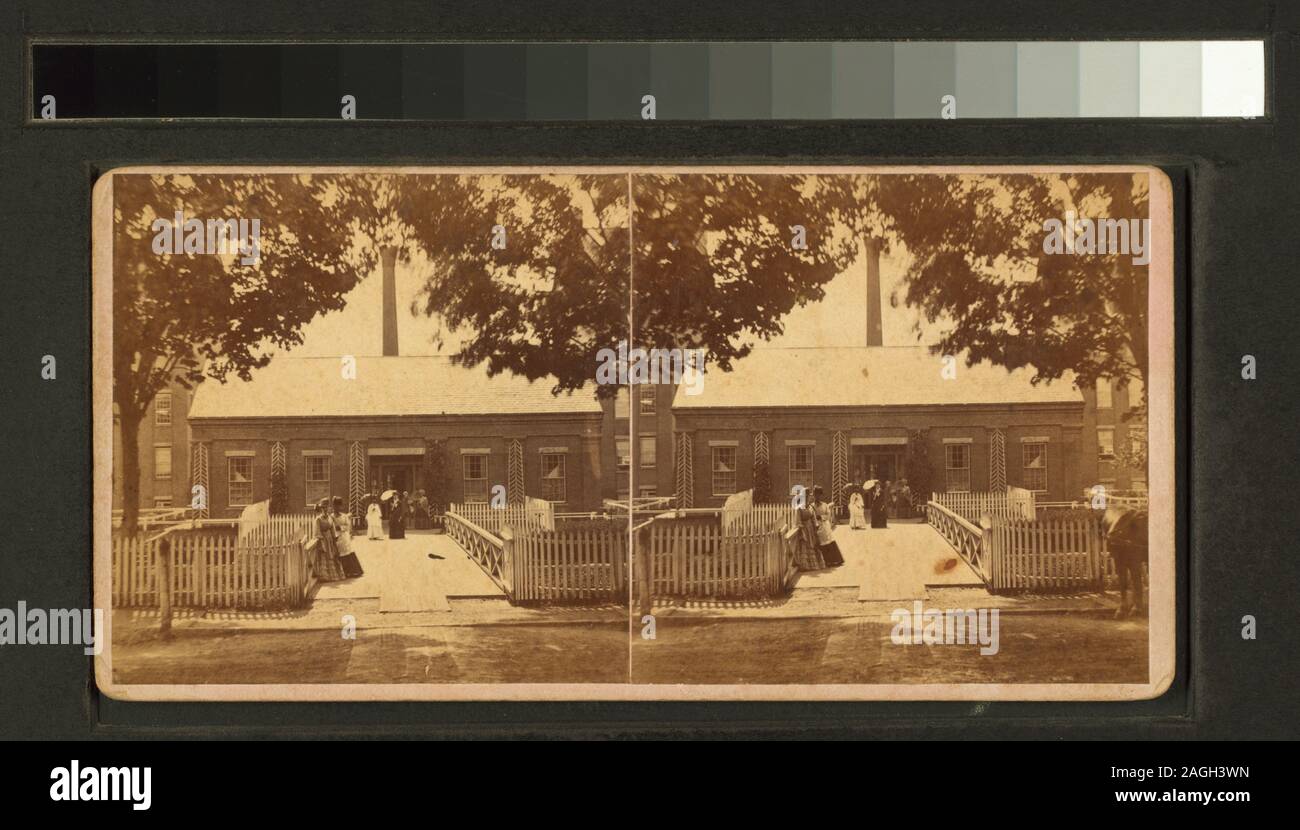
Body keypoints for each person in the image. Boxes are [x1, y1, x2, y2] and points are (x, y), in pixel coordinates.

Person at [313, 498, 347, 581]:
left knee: (333, 555)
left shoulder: (330, 518)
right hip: (323, 539)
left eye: (326, 507)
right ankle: (325, 576)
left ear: (328, 508)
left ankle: (334, 575)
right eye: (323, 508)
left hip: (330, 539)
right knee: (325, 556)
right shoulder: (318, 519)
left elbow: (332, 529)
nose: (325, 509)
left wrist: (334, 538)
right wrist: (322, 542)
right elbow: (317, 532)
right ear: (321, 509)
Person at [812, 486, 845, 567]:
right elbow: (811, 516)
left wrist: (822, 517)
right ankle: (827, 561)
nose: (817, 497)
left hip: (825, 526)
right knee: (822, 544)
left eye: (819, 495)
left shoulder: (825, 505)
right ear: (814, 496)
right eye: (816, 495)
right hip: (818, 526)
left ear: (821, 495)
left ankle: (836, 560)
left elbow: (828, 515)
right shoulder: (812, 506)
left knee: (830, 542)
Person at [332, 496, 364, 578]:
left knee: (348, 552)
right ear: (333, 506)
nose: (337, 508)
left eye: (339, 506)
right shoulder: (331, 517)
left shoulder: (344, 516)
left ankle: (353, 571)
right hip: (337, 537)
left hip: (344, 537)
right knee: (341, 554)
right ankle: (345, 572)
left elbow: (348, 526)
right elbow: (330, 526)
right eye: (336, 506)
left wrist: (341, 527)